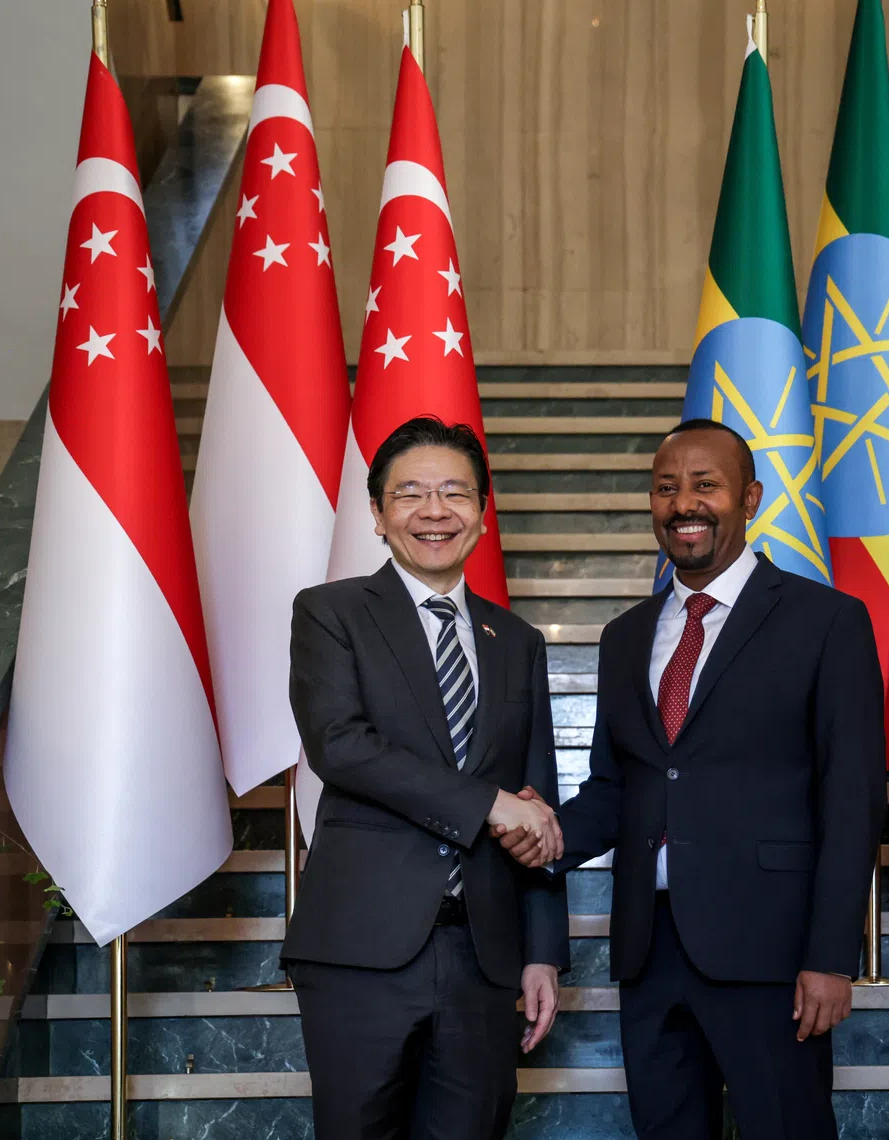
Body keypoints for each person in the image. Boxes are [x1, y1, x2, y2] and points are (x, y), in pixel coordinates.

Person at [498, 418, 887, 1139]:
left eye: (705, 485)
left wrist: (831, 957)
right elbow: (619, 790)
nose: (685, 504)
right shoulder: (626, 638)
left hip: (772, 950)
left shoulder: (826, 622)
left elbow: (853, 798)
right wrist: (544, 834)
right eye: (665, 488)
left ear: (750, 498)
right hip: (651, 951)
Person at [283, 415, 569, 1140]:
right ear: (377, 515)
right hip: (361, 949)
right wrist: (490, 803)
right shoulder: (331, 613)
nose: (434, 511)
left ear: (482, 512)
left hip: (485, 955)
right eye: (410, 493)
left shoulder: (519, 642)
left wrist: (543, 953)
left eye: (454, 492)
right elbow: (341, 747)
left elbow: (536, 805)